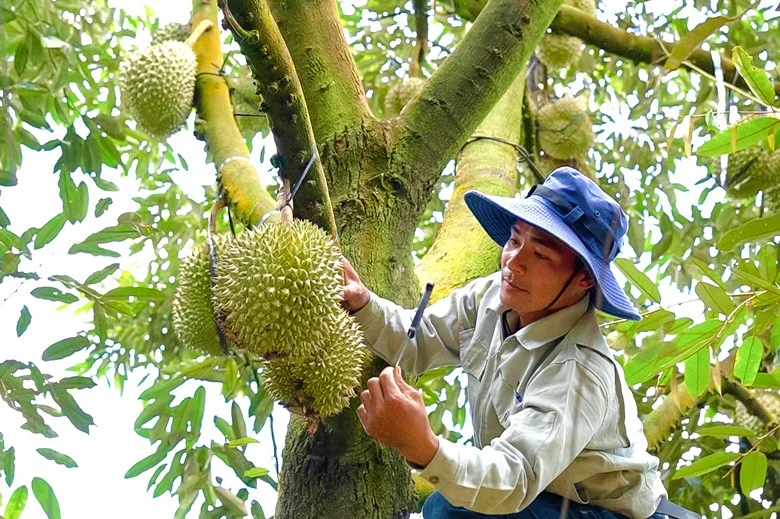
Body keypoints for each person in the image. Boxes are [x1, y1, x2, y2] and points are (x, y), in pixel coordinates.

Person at [340, 168, 698, 518]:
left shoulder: (580, 370)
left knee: (450, 511)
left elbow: (515, 476)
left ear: (584, 281)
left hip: (603, 511)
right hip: (539, 497)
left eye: (540, 254)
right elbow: (419, 337)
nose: (514, 261)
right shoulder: (490, 296)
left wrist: (421, 446)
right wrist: (363, 304)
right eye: (514, 240)